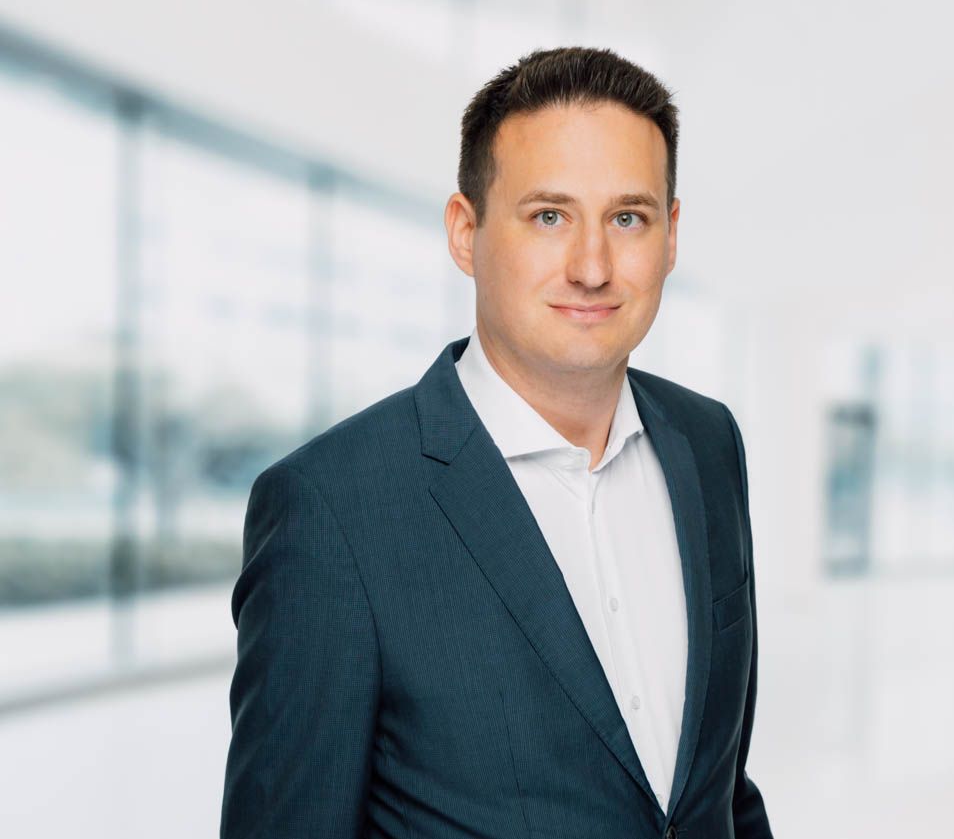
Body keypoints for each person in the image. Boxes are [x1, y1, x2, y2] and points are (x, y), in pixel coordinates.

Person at [220, 45, 773, 839]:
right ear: (465, 231)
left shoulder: (709, 443)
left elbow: (722, 794)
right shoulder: (331, 510)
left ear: (671, 234)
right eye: (549, 215)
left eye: (628, 217)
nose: (592, 266)